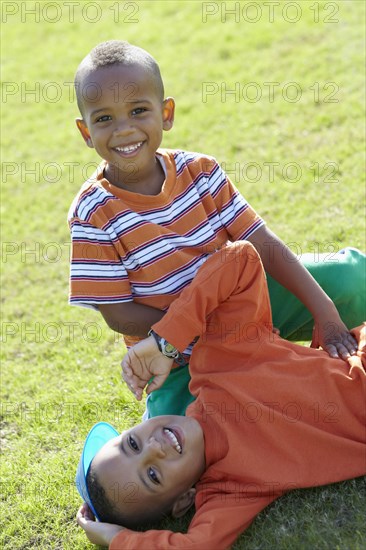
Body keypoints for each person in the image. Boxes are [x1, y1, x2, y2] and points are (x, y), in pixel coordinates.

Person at [69, 39, 364, 417]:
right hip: (174, 354)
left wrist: (324, 310)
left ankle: (283, 345)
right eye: (104, 119)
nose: (124, 130)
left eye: (139, 110)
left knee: (351, 279)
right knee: (182, 431)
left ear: (167, 113)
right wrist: (207, 334)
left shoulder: (200, 172)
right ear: (86, 133)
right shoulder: (92, 212)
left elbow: (261, 242)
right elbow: (119, 314)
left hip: (252, 307)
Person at [75, 241, 366, 549]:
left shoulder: (217, 363)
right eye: (153, 474)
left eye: (133, 443)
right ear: (184, 501)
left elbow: (240, 259)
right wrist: (117, 539)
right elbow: (200, 545)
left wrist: (166, 340)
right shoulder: (229, 490)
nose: (155, 447)